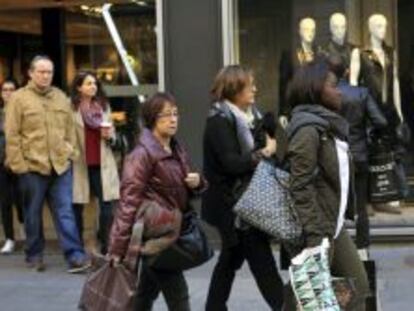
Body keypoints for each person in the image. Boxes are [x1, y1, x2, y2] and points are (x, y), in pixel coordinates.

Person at [284, 59, 370, 310]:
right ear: (315, 89)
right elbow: (299, 185)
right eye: (333, 85)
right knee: (307, 298)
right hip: (317, 229)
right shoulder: (307, 129)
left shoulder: (327, 126)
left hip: (333, 224)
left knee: (357, 287)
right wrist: (314, 235)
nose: (339, 91)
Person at [109, 92, 205, 311]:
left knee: (145, 293)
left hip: (171, 231)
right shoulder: (141, 155)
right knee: (179, 296)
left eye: (175, 114)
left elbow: (182, 188)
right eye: (166, 115)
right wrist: (117, 248)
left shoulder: (175, 148)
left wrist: (197, 182)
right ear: (153, 118)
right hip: (157, 236)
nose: (173, 120)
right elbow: (128, 203)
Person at [202, 65, 284, 311]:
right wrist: (265, 151)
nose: (255, 89)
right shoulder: (219, 121)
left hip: (246, 201)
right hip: (235, 208)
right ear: (234, 89)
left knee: (229, 260)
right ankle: (284, 306)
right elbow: (232, 163)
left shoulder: (250, 117)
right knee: (263, 264)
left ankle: (213, 308)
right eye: (250, 86)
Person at [4, 55, 88, 273]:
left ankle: (75, 256)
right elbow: (12, 135)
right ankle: (34, 255)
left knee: (65, 212)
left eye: (49, 72)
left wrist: (72, 152)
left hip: (60, 166)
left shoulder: (61, 97)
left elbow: (69, 129)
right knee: (32, 214)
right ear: (30, 73)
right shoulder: (19, 99)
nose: (45, 75)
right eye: (41, 71)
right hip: (32, 167)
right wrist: (19, 166)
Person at [329, 56, 387, 259]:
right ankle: (362, 250)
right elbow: (380, 121)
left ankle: (337, 250)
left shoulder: (328, 94)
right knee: (360, 204)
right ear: (346, 72)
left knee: (335, 203)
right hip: (359, 154)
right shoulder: (361, 93)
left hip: (334, 156)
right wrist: (369, 136)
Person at [70, 71, 120, 255]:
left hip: (102, 162)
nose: (93, 87)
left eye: (95, 83)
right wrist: (71, 153)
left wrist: (109, 137)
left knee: (107, 206)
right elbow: (67, 135)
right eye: (88, 83)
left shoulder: (103, 107)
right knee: (77, 206)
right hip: (80, 162)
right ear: (79, 87)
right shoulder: (72, 109)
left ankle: (106, 245)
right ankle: (77, 247)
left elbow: (113, 134)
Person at [0, 78, 24, 254]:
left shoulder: (23, 112)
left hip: (20, 161)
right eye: (5, 90)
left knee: (22, 199)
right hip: (1, 163)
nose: (8, 92)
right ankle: (9, 238)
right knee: (5, 202)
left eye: (12, 89)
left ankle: (25, 230)